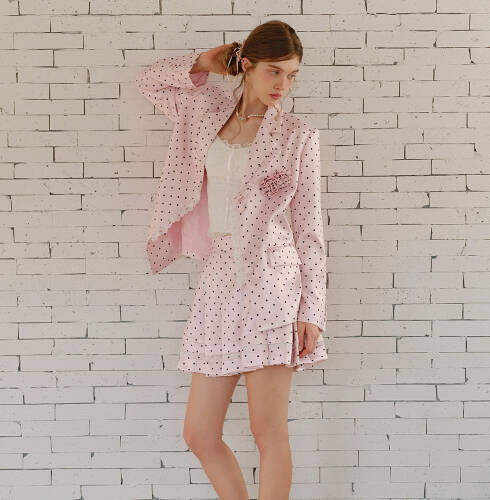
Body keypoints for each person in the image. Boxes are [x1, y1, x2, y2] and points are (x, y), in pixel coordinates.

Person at [135, 20, 327, 500]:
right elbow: (149, 80)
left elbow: (309, 231)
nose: (283, 85)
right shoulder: (206, 113)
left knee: (268, 431)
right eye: (274, 72)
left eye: (292, 75)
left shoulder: (298, 136)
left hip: (272, 283)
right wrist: (206, 62)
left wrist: (312, 311)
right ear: (247, 66)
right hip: (217, 280)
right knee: (199, 433)